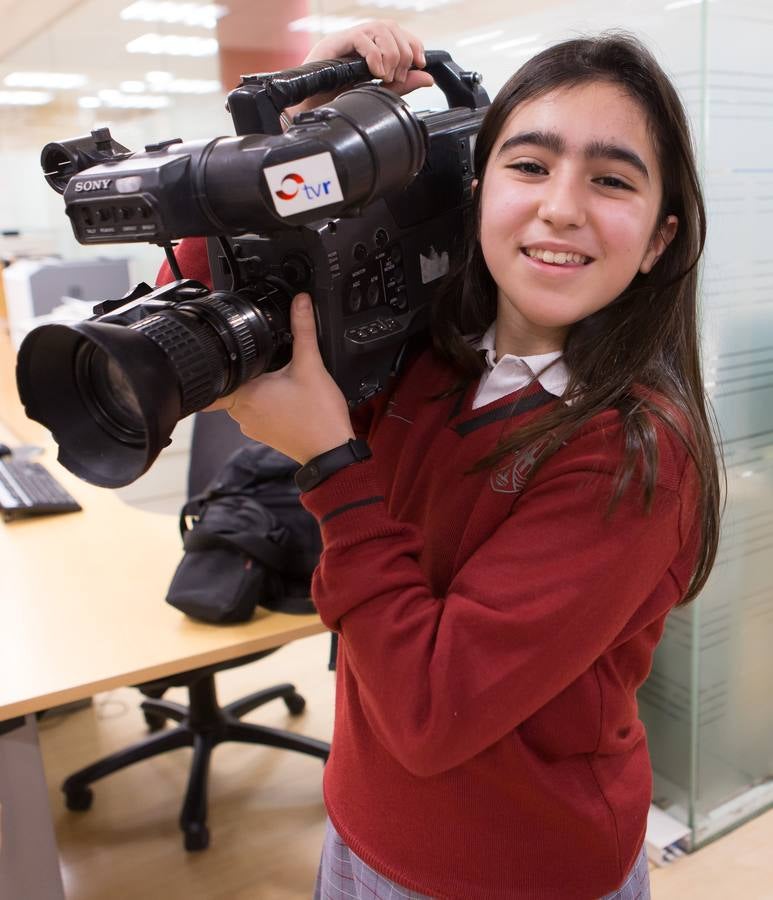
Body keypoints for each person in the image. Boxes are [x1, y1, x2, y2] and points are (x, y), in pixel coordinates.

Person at [161, 20, 721, 900]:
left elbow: (431, 707)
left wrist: (329, 464)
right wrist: (294, 133)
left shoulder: (634, 450)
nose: (561, 207)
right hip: (360, 823)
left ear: (657, 238)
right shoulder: (420, 354)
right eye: (528, 165)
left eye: (610, 180)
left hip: (522, 869)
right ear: (475, 186)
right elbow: (201, 314)